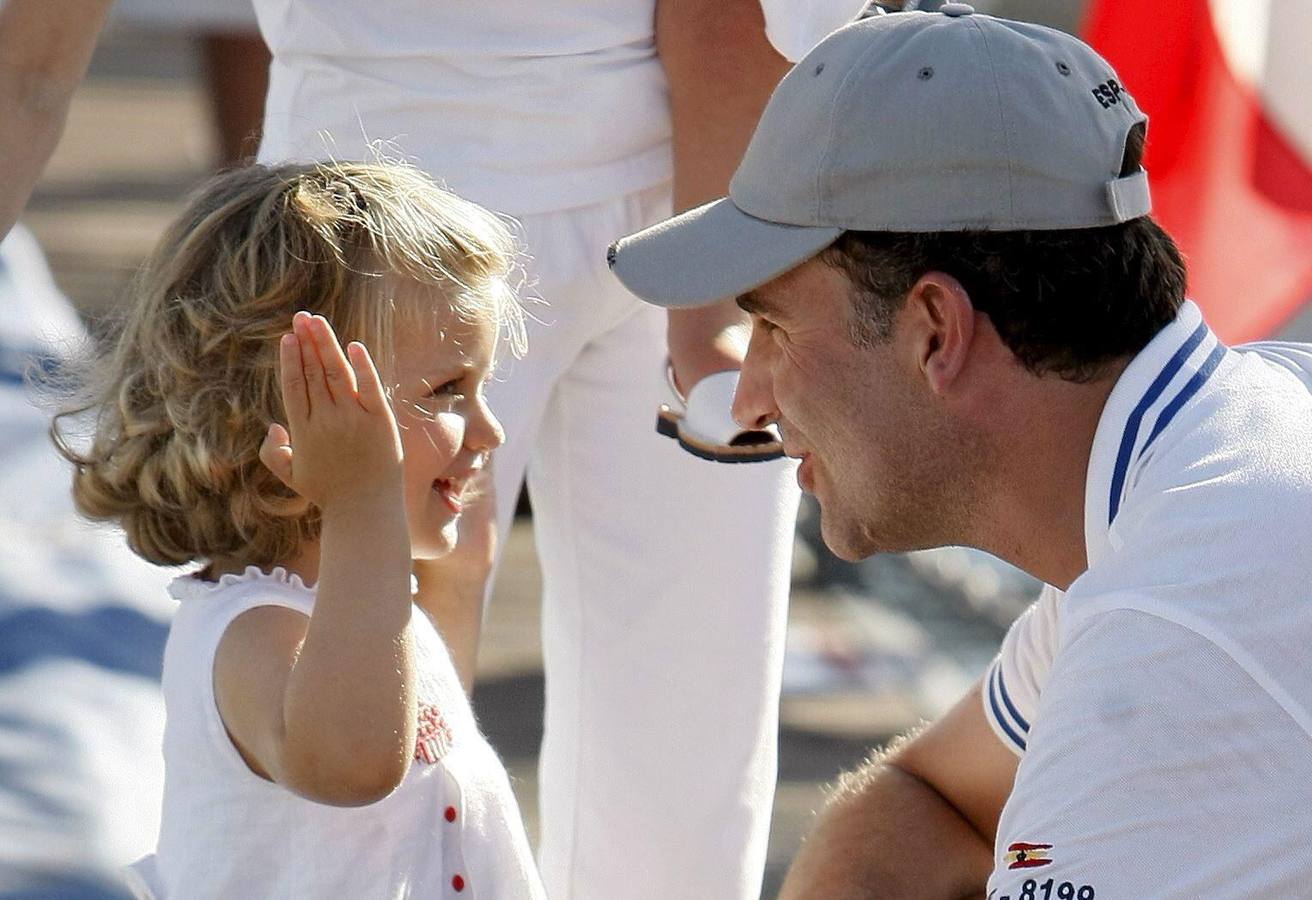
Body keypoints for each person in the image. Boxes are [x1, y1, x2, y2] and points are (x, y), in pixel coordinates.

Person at [609, 6, 1312, 897]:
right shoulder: (1227, 450)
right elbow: (929, 797)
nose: (749, 399)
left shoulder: (1170, 633)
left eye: (775, 329)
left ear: (936, 330)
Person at [249, 2, 863, 897]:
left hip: (435, 202)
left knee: (345, 706)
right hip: (418, 209)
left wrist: (714, 299)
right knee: (672, 735)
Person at [52, 160, 544, 898]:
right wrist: (361, 508)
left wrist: (460, 583)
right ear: (282, 416)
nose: (490, 429)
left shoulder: (357, 605)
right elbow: (355, 764)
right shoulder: (252, 635)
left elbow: (419, 734)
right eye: (448, 392)